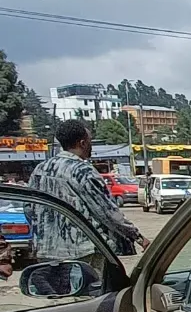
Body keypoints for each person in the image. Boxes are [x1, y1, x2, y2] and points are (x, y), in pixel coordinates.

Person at [25, 120, 148, 280]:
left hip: (46, 252)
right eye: (90, 141)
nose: (91, 146)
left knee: (58, 299)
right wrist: (139, 238)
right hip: (82, 254)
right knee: (87, 299)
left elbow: (28, 208)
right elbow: (107, 212)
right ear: (82, 143)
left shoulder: (40, 169)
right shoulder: (83, 171)